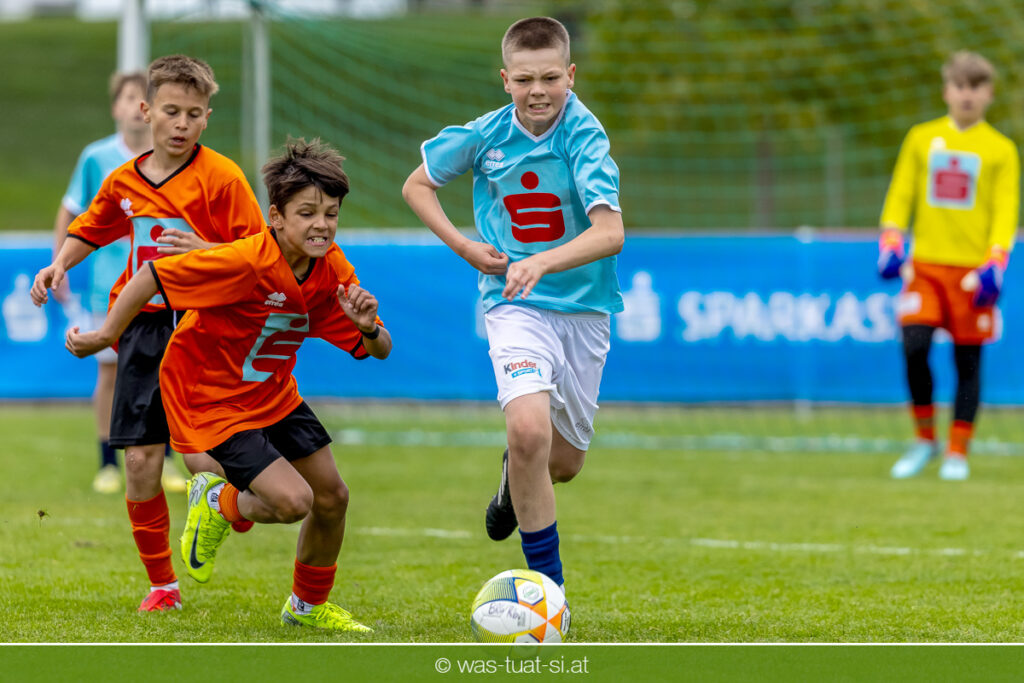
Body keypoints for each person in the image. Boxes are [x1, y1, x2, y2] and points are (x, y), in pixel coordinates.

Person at [67, 137, 391, 632]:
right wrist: (107, 335)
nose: (322, 225)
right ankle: (218, 504)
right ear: (275, 217)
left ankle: (307, 607)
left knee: (333, 497)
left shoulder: (332, 268)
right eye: (307, 213)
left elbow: (380, 348)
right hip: (212, 399)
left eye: (331, 214)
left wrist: (368, 327)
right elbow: (152, 275)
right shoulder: (245, 261)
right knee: (294, 502)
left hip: (272, 393)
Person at [31, 55, 267, 612]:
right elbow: (91, 227)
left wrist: (205, 251)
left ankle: (226, 506)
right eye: (171, 111)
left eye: (193, 114)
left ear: (207, 117)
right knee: (139, 462)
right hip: (143, 325)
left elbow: (259, 253)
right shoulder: (123, 180)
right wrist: (60, 264)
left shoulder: (223, 178)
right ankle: (163, 586)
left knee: (207, 459)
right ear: (146, 111)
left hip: (205, 325)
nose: (182, 124)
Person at [402, 16, 624, 591]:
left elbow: (610, 234)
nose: (538, 91)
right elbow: (416, 185)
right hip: (513, 303)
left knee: (562, 463)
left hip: (584, 310)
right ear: (505, 80)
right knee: (527, 432)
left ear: (570, 76)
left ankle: (512, 480)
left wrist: (542, 261)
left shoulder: (584, 136)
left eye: (550, 78)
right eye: (524, 80)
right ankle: (549, 594)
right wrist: (465, 247)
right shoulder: (486, 135)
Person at [878, 51, 1019, 481]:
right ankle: (925, 440)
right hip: (924, 267)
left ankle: (957, 450)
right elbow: (901, 194)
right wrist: (891, 240)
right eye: (960, 86)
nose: (967, 95)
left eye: (976, 87)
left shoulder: (1001, 150)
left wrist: (996, 261)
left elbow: (1005, 210)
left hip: (972, 272)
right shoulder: (922, 138)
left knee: (967, 361)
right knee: (914, 345)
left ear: (989, 94)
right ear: (947, 91)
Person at [53, 71, 188, 496]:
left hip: (166, 287)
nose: (134, 106)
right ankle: (108, 462)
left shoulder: (176, 158)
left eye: (141, 98)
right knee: (110, 372)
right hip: (109, 285)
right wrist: (59, 264)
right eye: (128, 97)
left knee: (167, 371)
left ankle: (167, 458)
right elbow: (72, 212)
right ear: (117, 107)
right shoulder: (97, 157)